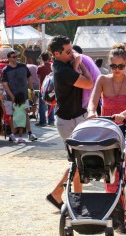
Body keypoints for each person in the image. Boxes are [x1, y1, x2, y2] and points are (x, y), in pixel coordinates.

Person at [87, 43, 126, 216]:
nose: (117, 69)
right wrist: (91, 112)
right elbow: (93, 101)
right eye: (113, 66)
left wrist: (123, 114)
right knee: (109, 171)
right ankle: (112, 210)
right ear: (109, 64)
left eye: (121, 66)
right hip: (108, 129)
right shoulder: (102, 80)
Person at [46, 35, 93, 210]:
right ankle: (56, 194)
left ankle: (78, 198)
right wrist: (81, 65)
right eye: (68, 52)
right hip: (69, 121)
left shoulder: (62, 65)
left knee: (79, 163)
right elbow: (88, 84)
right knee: (80, 163)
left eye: (71, 49)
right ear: (56, 54)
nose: (72, 53)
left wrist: (74, 63)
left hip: (73, 117)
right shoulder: (63, 70)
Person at [1, 51, 37, 142]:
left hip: (23, 96)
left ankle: (30, 133)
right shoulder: (6, 70)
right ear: (9, 58)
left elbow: (29, 78)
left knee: (25, 114)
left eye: (16, 56)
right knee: (12, 115)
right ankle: (13, 134)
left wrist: (31, 90)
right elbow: (5, 85)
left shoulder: (23, 66)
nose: (16, 58)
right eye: (13, 57)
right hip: (11, 98)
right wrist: (12, 97)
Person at [35, 52, 55, 126]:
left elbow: (38, 78)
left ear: (42, 58)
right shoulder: (52, 66)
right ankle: (51, 120)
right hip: (52, 89)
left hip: (43, 89)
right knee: (51, 104)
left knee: (42, 105)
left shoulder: (40, 67)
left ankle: (43, 121)